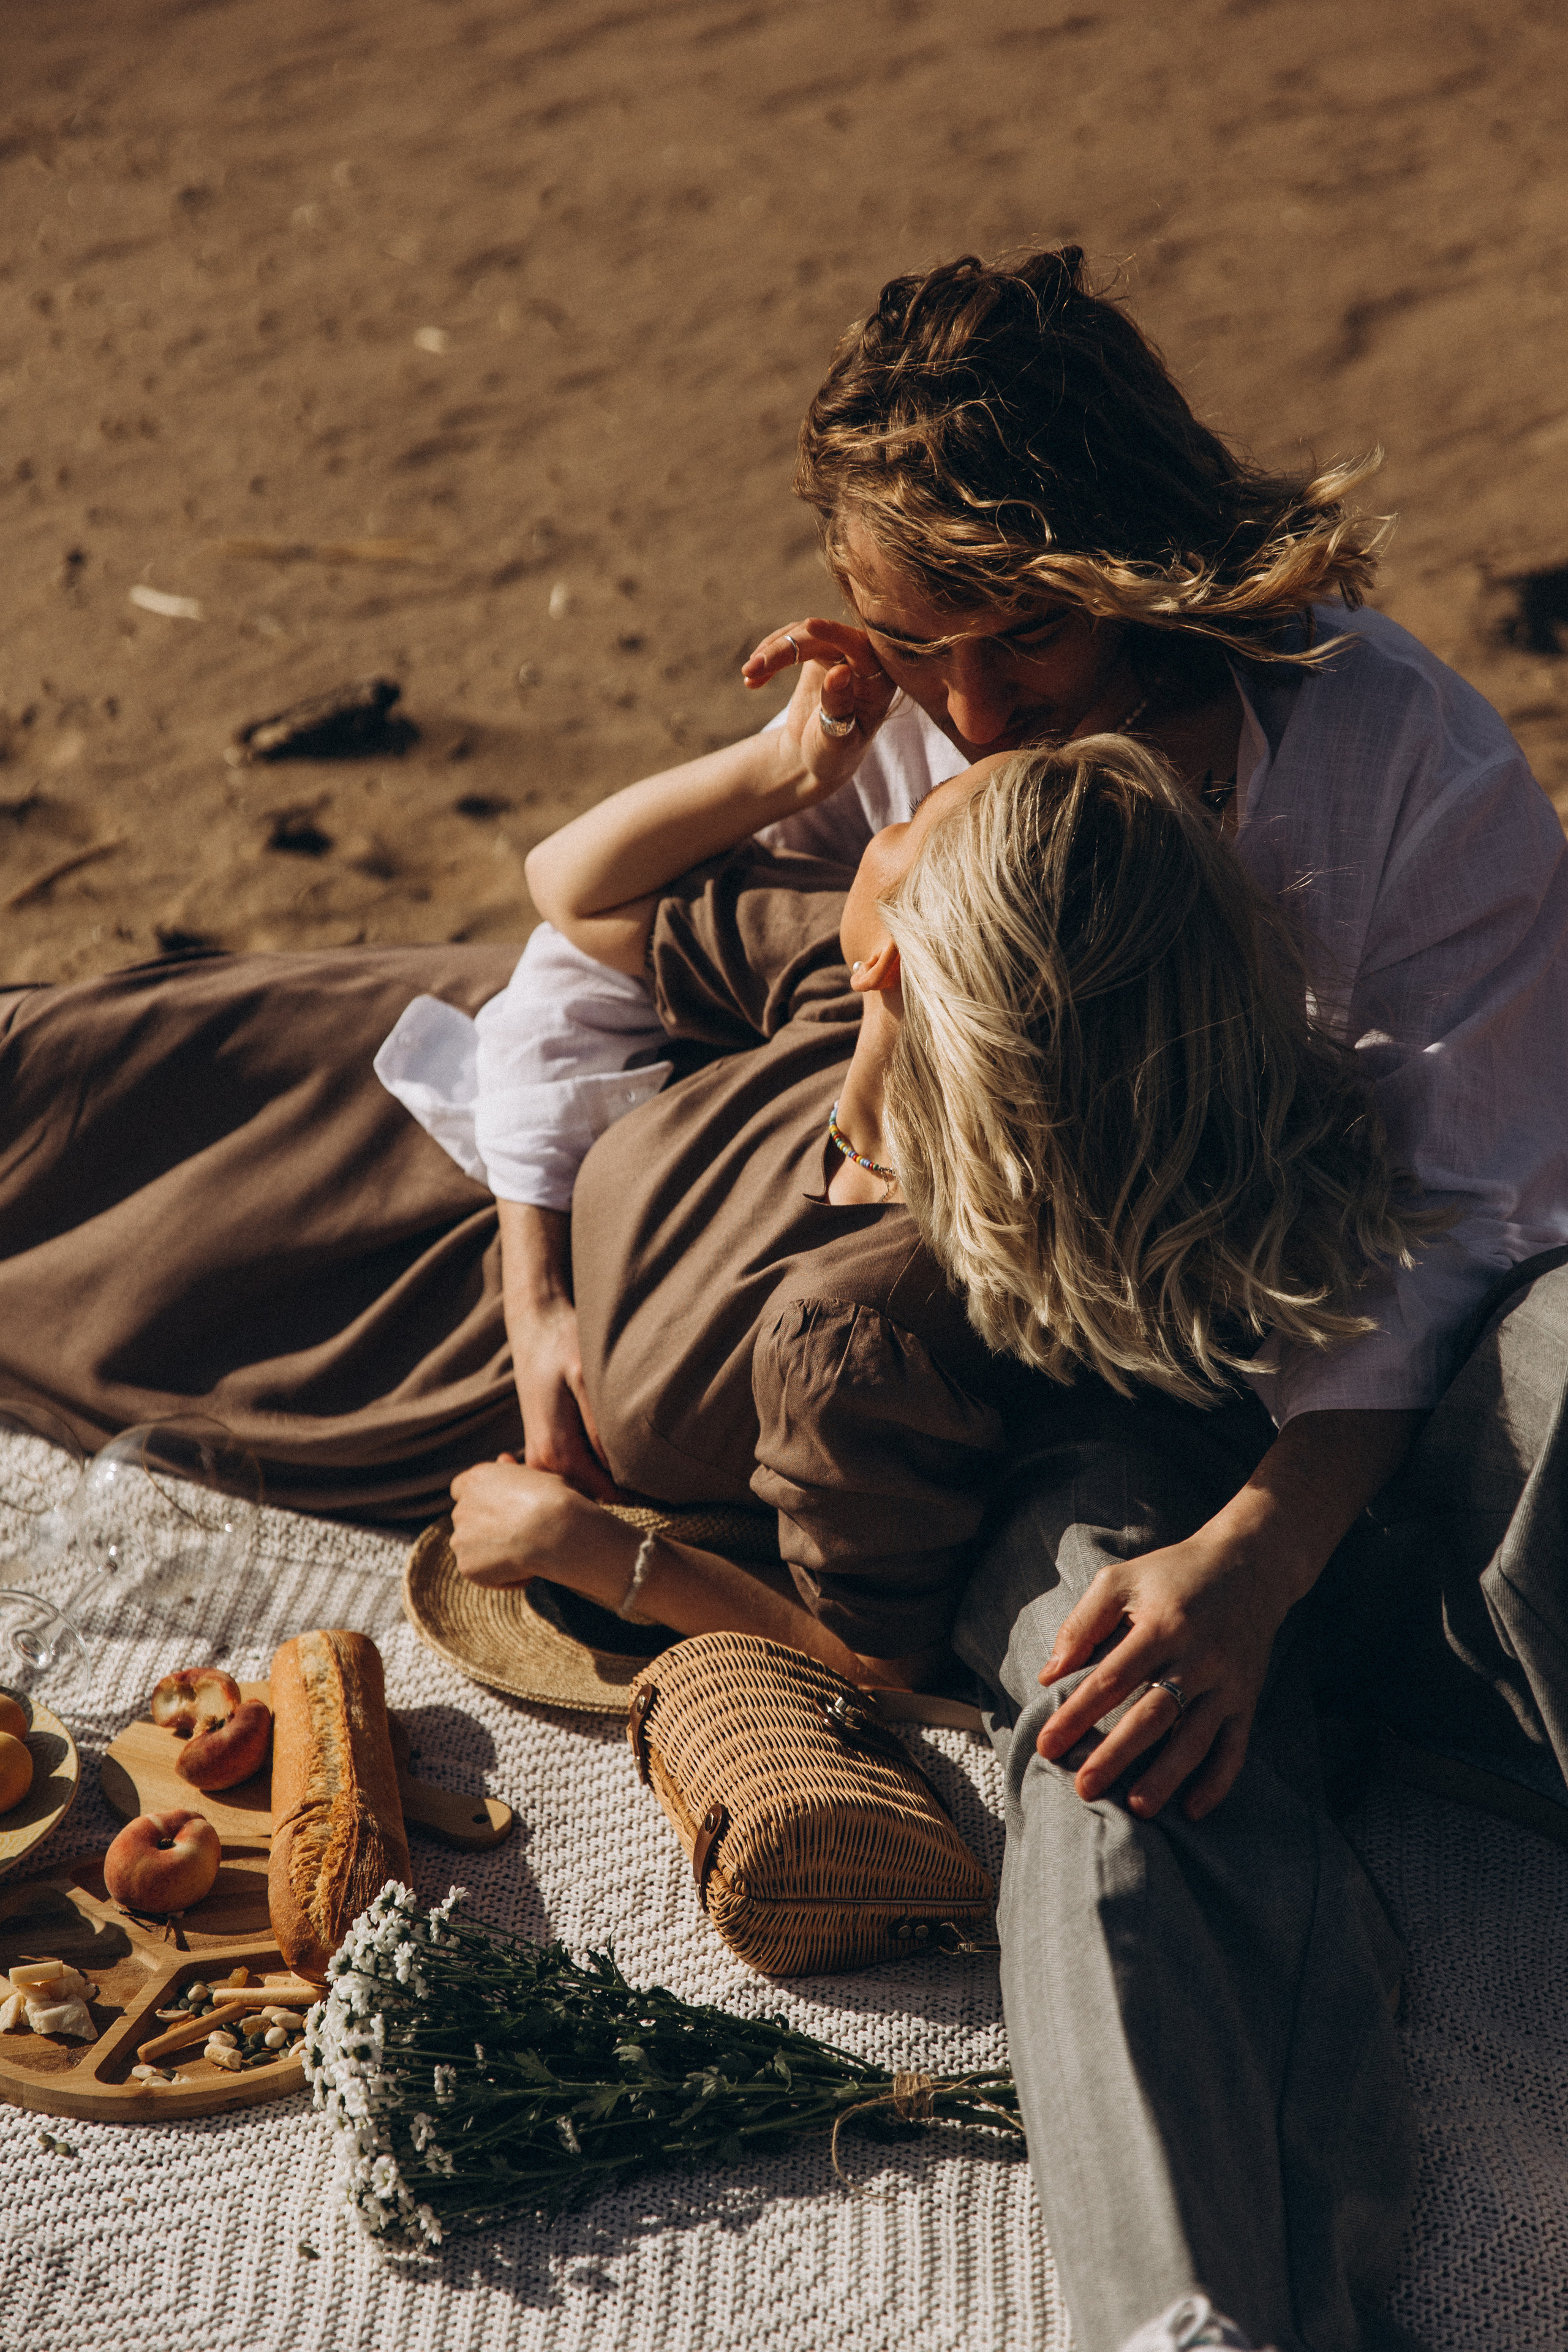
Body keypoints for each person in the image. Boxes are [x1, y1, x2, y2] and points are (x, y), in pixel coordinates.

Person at [382, 247, 1568, 2352]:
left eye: (1026, 632)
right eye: (933, 651)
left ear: (1154, 562)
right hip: (1080, 1370)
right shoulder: (925, 718)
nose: (982, 712)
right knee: (1116, 1722)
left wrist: (1269, 1549)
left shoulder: (1414, 778)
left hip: (1396, 1358)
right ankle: (1195, 2319)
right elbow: (593, 936)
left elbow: (1465, 1233)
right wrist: (535, 1263)